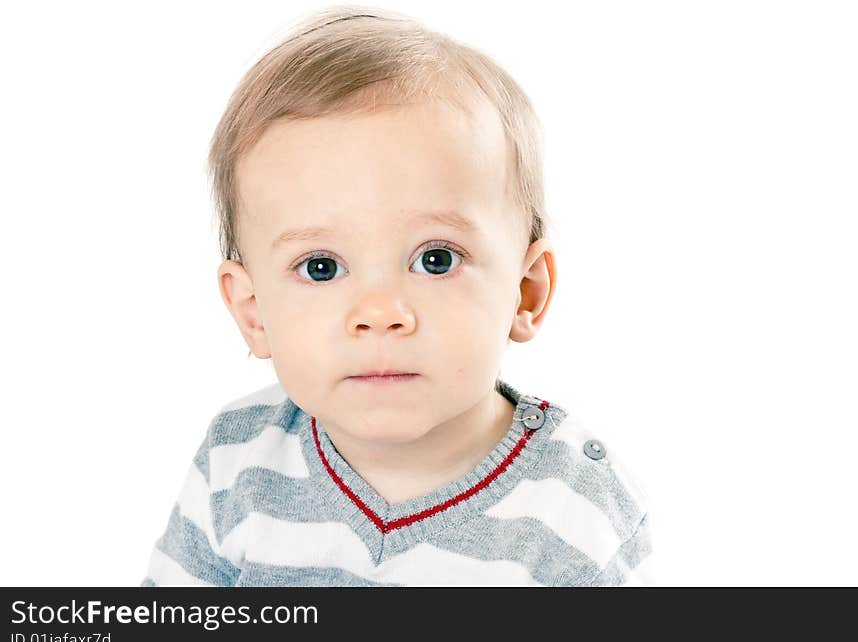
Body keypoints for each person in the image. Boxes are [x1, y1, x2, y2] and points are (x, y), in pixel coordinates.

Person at [141, 4, 653, 586]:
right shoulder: (238, 464)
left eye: (436, 260)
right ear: (253, 312)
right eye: (321, 267)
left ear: (525, 292)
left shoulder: (578, 510)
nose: (380, 314)